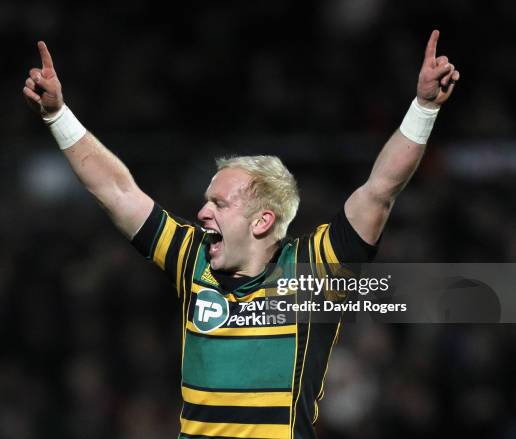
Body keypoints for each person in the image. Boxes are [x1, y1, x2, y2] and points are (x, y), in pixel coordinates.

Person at [23, 30, 459, 439]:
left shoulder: (314, 271)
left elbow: (380, 190)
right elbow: (116, 191)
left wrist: (423, 109)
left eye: (219, 203)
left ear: (262, 221)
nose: (201, 212)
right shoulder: (190, 257)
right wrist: (58, 115)